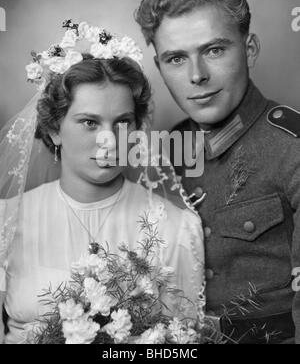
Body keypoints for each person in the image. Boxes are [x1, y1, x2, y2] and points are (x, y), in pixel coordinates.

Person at [0, 21, 204, 344]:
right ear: (54, 129)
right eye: (90, 123)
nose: (109, 141)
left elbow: (185, 342)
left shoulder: (176, 227)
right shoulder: (6, 222)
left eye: (122, 123)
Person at [135, 0, 300, 343]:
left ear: (250, 49)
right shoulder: (169, 150)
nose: (197, 76)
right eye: (176, 58)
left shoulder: (293, 147)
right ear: (160, 67)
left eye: (214, 50)